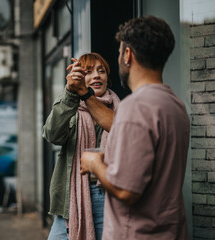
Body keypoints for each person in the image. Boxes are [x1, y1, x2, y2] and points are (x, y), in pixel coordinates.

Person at [80, 16, 190, 239]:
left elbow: (126, 189)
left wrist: (94, 164)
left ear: (128, 55)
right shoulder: (176, 104)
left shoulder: (135, 107)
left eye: (121, 52)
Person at [43, 52, 120, 240]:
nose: (96, 76)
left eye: (101, 71)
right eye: (88, 72)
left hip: (107, 194)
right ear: (80, 78)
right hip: (72, 196)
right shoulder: (71, 107)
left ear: (107, 78)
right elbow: (52, 134)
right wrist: (70, 93)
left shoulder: (120, 108)